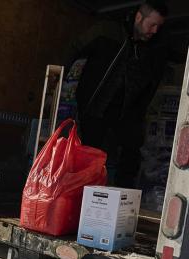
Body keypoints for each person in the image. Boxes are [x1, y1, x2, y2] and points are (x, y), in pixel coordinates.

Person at [69, 0, 169, 187]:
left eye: (158, 26)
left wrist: (141, 112)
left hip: (126, 113)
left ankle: (122, 200)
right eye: (152, 24)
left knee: (132, 152)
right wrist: (58, 81)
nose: (155, 30)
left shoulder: (152, 50)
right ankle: (82, 199)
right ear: (139, 17)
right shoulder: (107, 31)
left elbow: (151, 83)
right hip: (94, 107)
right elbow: (74, 49)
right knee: (90, 156)